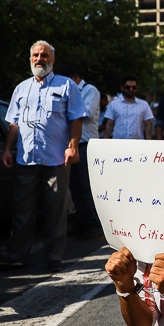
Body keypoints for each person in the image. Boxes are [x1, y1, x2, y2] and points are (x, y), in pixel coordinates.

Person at [0, 41, 87, 272]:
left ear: (52, 59)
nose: (39, 59)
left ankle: (54, 257)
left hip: (56, 158)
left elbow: (76, 118)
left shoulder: (67, 86)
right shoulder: (21, 88)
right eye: (35, 55)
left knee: (56, 210)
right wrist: (8, 148)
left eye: (44, 55)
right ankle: (17, 255)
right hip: (25, 158)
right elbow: (14, 123)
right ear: (30, 59)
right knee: (22, 210)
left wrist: (73, 146)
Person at [65, 67, 101, 239]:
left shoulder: (90, 90)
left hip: (86, 144)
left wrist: (66, 110)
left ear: (75, 77)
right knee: (75, 187)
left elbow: (87, 112)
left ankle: (93, 223)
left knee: (87, 187)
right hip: (72, 145)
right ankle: (81, 222)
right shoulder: (70, 92)